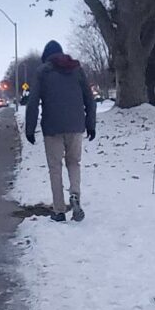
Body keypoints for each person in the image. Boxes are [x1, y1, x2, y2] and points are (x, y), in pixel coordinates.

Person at [25, 40, 96, 222]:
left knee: (55, 167)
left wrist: (30, 129)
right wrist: (91, 124)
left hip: (52, 127)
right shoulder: (77, 69)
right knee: (74, 163)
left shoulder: (43, 72)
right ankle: (75, 195)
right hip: (75, 125)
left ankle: (59, 210)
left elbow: (32, 103)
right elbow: (89, 99)